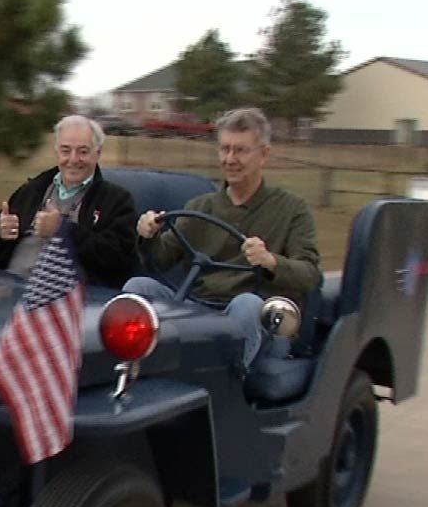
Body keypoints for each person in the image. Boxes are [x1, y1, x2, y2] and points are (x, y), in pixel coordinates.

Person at [123, 107, 321, 368]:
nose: (230, 159)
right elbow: (160, 260)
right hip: (198, 305)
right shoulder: (200, 206)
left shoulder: (291, 208)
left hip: (259, 319)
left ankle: (228, 382)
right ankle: (133, 371)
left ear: (264, 154)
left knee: (247, 305)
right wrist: (148, 235)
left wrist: (270, 261)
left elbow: (309, 274)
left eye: (240, 150)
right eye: (225, 149)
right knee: (138, 288)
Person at [0, 115, 138, 289]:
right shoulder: (32, 190)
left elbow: (119, 259)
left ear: (98, 153)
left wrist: (63, 230)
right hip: (11, 286)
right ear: (56, 153)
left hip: (69, 296)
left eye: (83, 151)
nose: (73, 159)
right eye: (65, 151)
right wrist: (0, 234)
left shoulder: (116, 199)